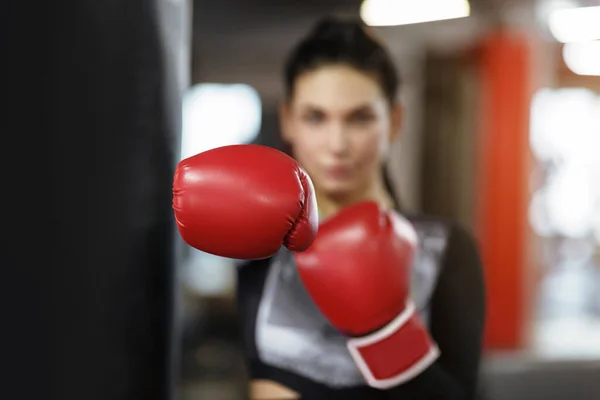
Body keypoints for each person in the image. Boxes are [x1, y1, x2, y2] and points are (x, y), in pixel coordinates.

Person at [173, 16, 486, 400]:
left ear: (394, 121)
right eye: (315, 117)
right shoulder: (264, 250)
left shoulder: (443, 249)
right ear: (288, 120)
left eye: (360, 118)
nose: (337, 144)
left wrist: (386, 331)